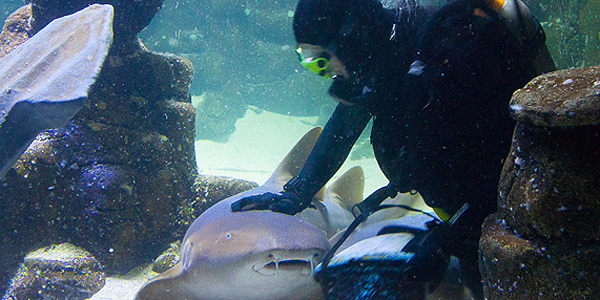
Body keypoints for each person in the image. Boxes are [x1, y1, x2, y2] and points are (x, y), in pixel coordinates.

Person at [232, 0, 555, 297]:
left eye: (319, 60)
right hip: (462, 218)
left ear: (348, 40)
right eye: (309, 63)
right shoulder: (377, 61)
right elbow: (345, 124)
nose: (324, 73)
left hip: (526, 210)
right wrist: (299, 191)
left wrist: (449, 238)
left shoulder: (452, 52)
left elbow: (512, 155)